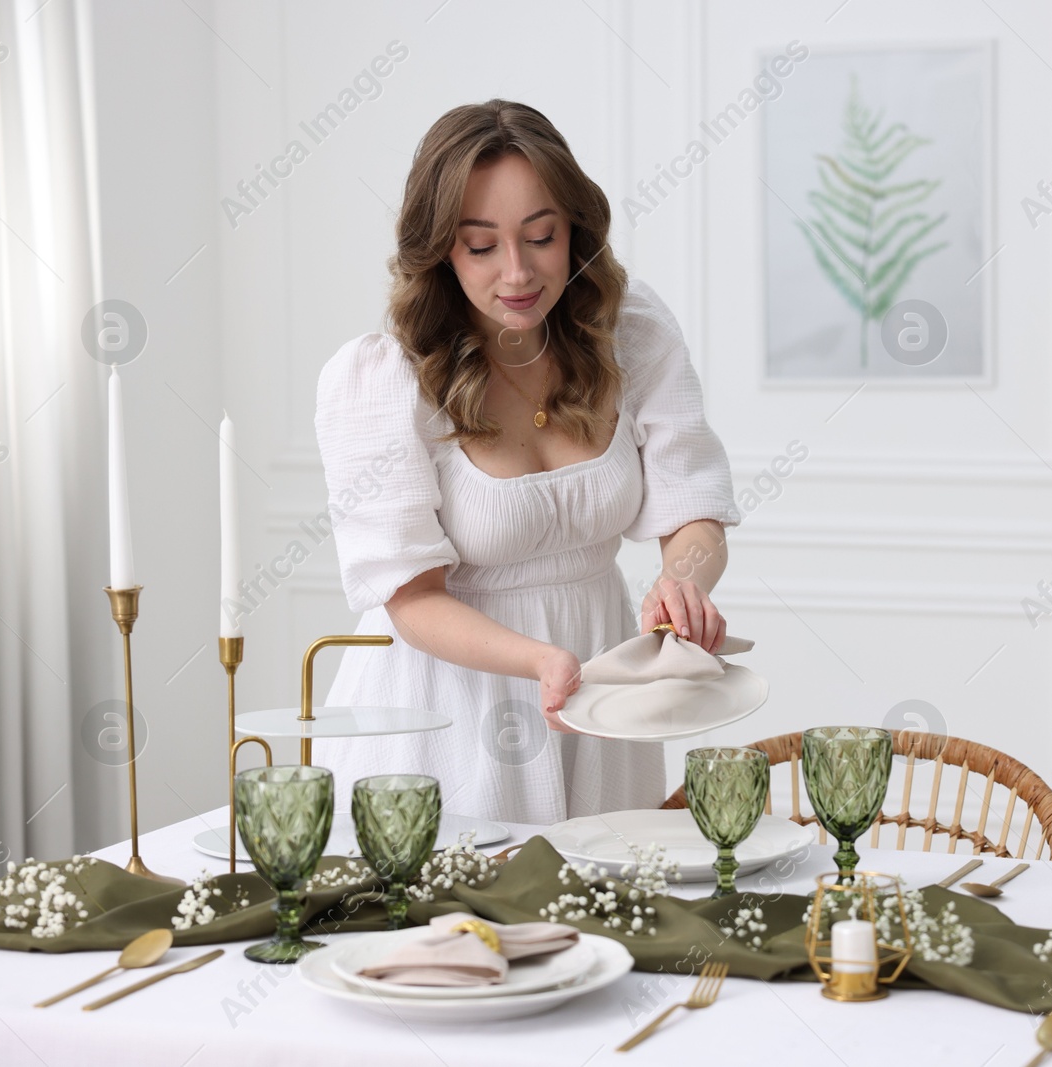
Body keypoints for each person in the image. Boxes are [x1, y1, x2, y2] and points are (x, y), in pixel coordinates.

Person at [310, 100, 740, 824]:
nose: (517, 271)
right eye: (481, 246)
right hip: (441, 715)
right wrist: (542, 660)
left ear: (575, 229)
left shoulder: (630, 335)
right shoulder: (384, 380)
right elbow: (411, 600)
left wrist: (681, 584)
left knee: (610, 922)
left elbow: (693, 507)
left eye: (540, 236)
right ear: (441, 249)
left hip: (599, 705)